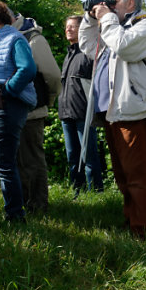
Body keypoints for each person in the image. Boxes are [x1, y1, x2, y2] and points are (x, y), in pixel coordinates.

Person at [79, 0, 146, 238]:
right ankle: (130, 222)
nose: (109, 8)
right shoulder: (115, 28)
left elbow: (124, 46)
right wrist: (91, 19)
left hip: (134, 112)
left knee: (137, 176)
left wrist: (108, 18)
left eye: (114, 2)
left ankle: (140, 230)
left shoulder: (145, 26)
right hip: (112, 113)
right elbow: (89, 47)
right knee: (122, 175)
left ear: (131, 4)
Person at [0, 0, 37, 224]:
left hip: (8, 106)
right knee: (4, 162)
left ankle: (15, 216)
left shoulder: (13, 39)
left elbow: (28, 68)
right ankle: (14, 212)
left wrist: (8, 90)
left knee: (4, 164)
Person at [11, 10, 62, 214]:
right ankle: (24, 202)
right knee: (19, 160)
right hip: (15, 111)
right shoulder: (8, 38)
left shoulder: (34, 39)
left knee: (32, 159)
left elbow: (52, 74)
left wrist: (48, 100)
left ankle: (39, 205)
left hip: (33, 110)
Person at [59, 15, 104, 194]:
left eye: (72, 27)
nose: (68, 29)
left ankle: (96, 192)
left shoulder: (88, 53)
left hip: (84, 113)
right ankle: (78, 191)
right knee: (72, 156)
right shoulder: (68, 54)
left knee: (89, 156)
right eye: (67, 27)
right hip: (66, 113)